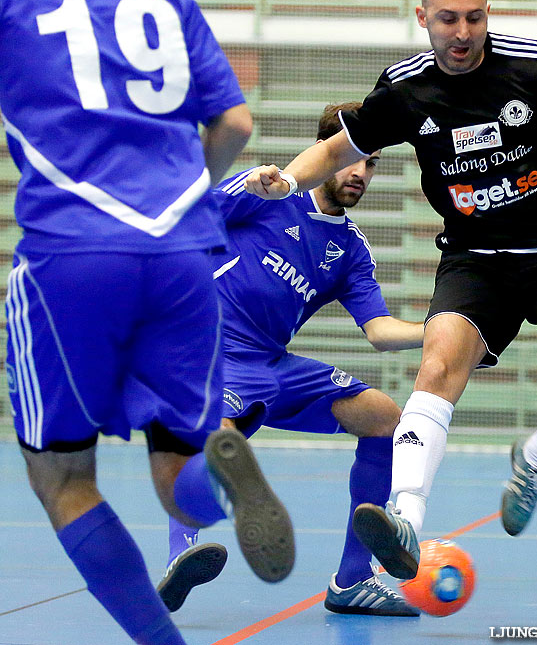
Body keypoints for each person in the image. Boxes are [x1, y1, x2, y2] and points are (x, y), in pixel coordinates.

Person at [243, 0, 537, 579]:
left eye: (474, 18)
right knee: (439, 364)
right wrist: (287, 179)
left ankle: (534, 457)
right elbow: (339, 149)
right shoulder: (404, 89)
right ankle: (405, 522)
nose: (462, 32)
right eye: (448, 19)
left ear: (487, 15)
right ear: (424, 19)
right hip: (472, 257)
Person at [0, 0, 294, 644]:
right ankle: (218, 479)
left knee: (64, 476)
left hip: (73, 255)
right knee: (177, 468)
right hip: (184, 256)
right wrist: (178, 195)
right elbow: (234, 124)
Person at [156, 102, 424, 617]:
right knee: (220, 438)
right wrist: (245, 185)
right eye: (354, 158)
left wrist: (441, 335)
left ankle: (352, 579)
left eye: (371, 163)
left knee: (383, 417)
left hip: (273, 366)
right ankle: (182, 553)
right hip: (214, 349)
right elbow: (194, 215)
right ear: (328, 153)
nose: (361, 172)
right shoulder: (270, 193)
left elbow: (380, 331)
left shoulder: (350, 249)